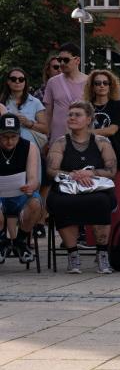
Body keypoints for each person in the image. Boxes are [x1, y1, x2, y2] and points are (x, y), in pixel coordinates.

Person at [46, 101, 117, 274]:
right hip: (67, 188)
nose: (72, 117)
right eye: (70, 114)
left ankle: (102, 254)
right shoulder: (60, 142)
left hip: (95, 188)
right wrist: (73, 175)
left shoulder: (102, 142)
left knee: (101, 201)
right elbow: (51, 170)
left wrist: (91, 173)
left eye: (77, 115)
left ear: (88, 119)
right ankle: (73, 255)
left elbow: (112, 170)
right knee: (60, 203)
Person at [85, 69, 120, 228]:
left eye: (105, 83)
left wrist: (88, 132)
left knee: (118, 198)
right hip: (91, 157)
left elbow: (112, 130)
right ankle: (96, 241)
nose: (101, 86)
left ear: (111, 85)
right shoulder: (86, 107)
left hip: (115, 157)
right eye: (97, 83)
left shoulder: (118, 106)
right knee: (92, 199)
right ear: (92, 86)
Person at [0, 114, 43, 265]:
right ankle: (2, 241)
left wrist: (31, 185)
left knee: (35, 203)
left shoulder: (29, 147)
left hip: (20, 193)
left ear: (19, 134)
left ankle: (21, 241)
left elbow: (33, 177)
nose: (9, 141)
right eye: (4, 137)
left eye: (13, 136)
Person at [44, 42, 88, 145]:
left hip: (83, 139)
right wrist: (45, 138)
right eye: (60, 60)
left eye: (66, 60)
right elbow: (48, 114)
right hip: (58, 140)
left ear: (77, 60)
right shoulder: (52, 82)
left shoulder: (89, 81)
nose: (62, 63)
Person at [1, 68, 47, 152]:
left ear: (25, 82)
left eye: (21, 79)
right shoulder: (1, 102)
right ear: (8, 82)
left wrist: (28, 123)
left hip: (30, 149)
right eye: (13, 79)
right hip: (6, 148)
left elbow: (45, 129)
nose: (17, 82)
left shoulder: (35, 102)